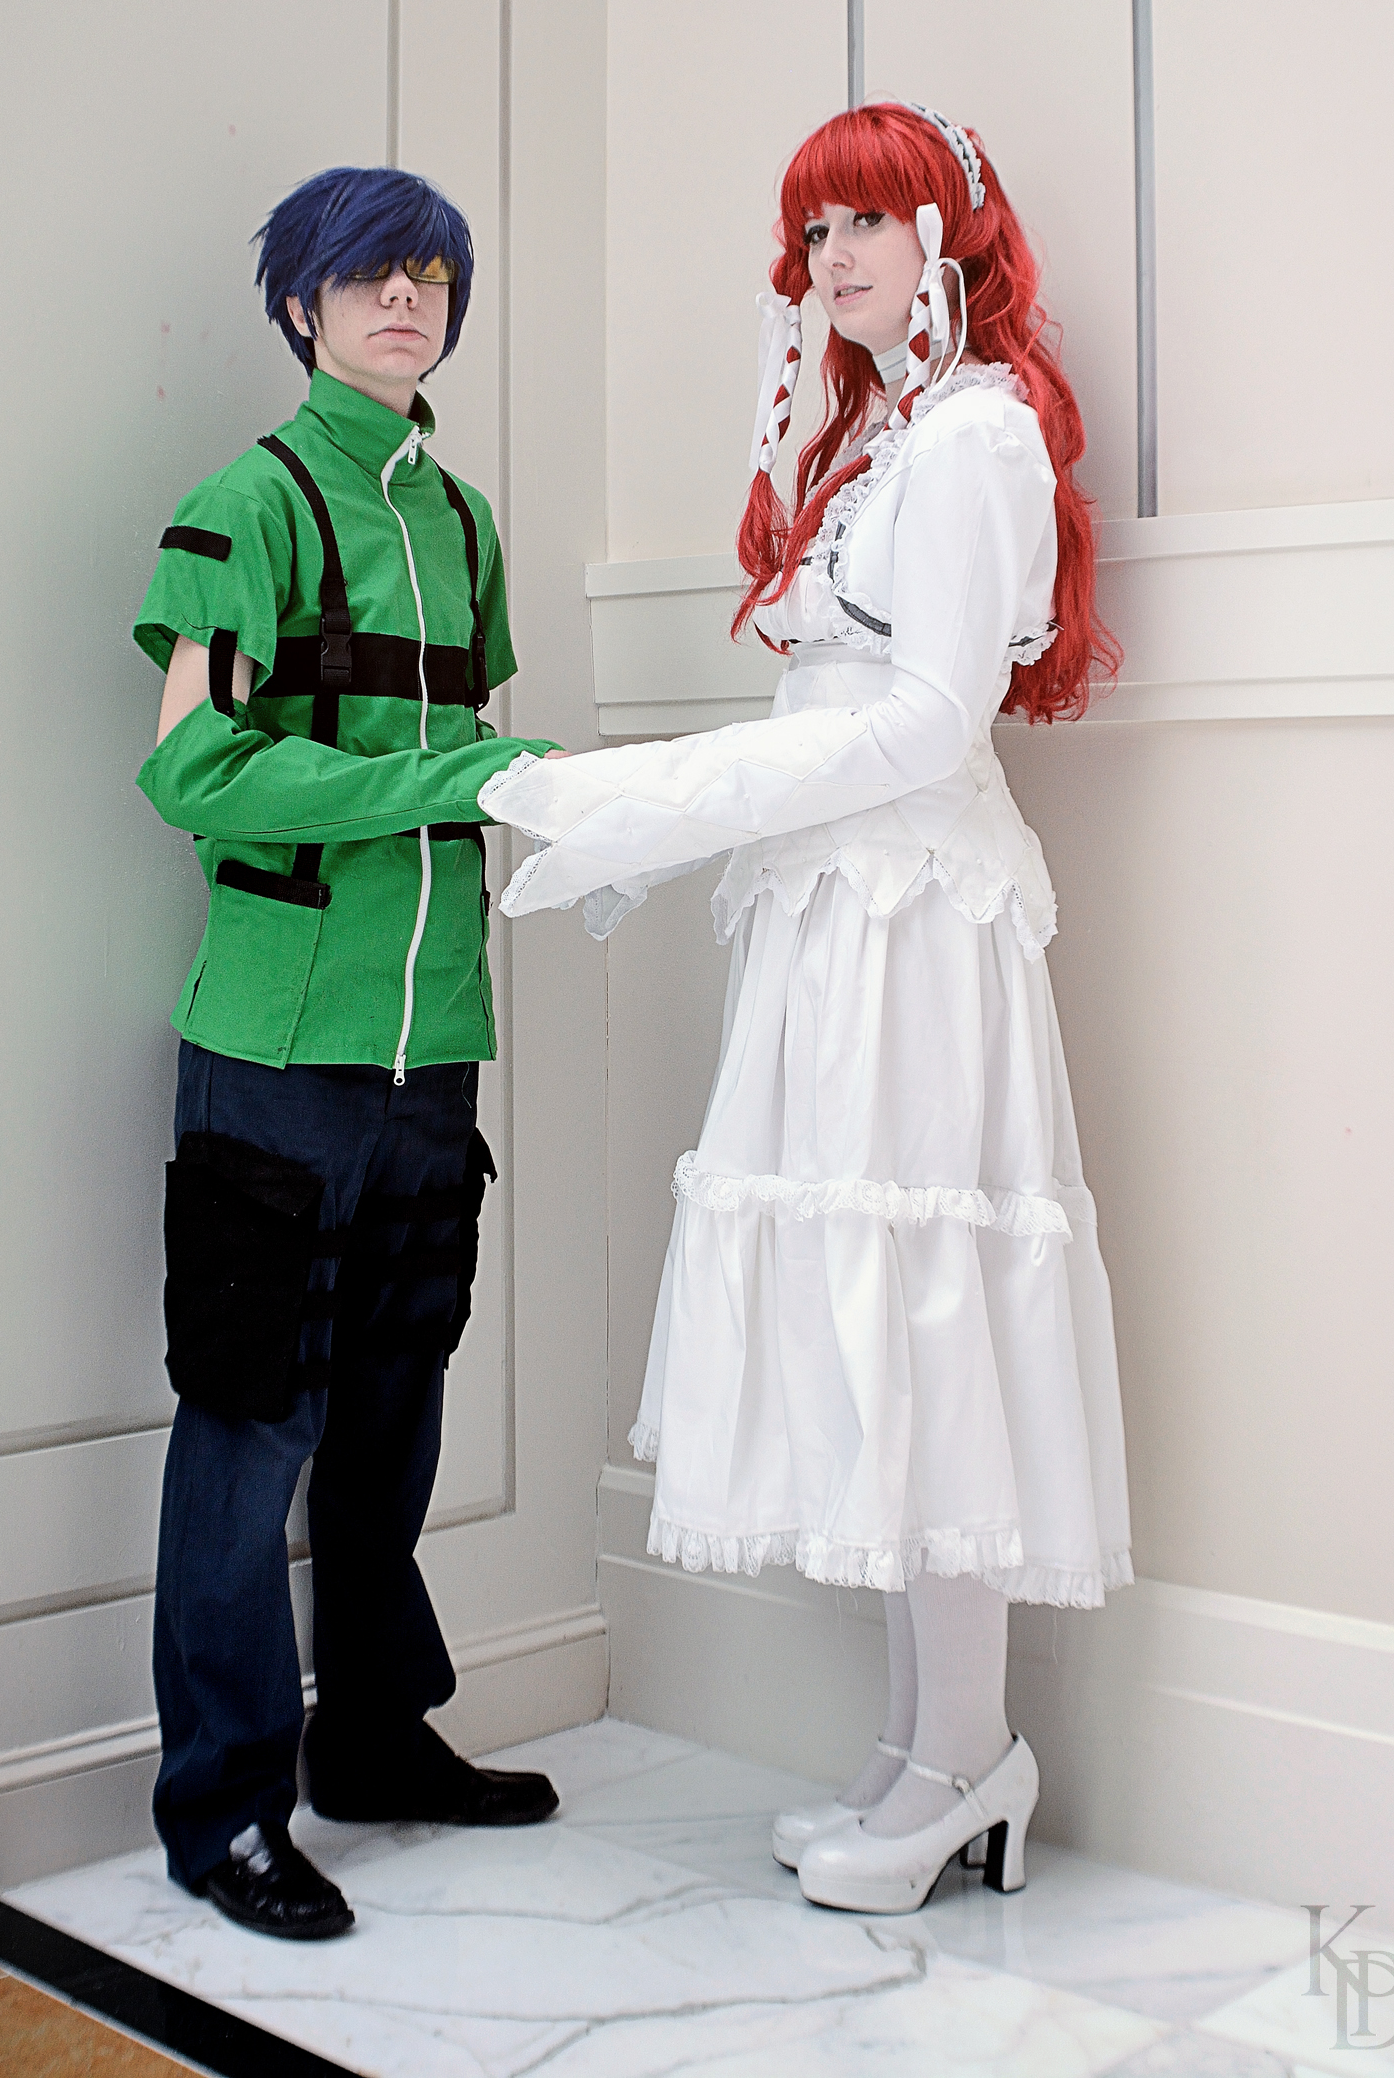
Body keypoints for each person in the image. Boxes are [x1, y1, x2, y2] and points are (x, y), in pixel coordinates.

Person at [478, 103, 1134, 1916]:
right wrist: (670, 818)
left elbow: (925, 723)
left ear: (946, 239)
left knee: (922, 1315)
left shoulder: (977, 432)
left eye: (870, 223)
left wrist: (656, 799)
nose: (835, 258)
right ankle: (932, 1748)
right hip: (840, 909)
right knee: (875, 1321)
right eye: (816, 231)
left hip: (915, 914)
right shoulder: (884, 435)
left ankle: (963, 1757)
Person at [133, 165, 562, 1943]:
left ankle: (374, 1742)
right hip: (276, 1047)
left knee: (393, 1416)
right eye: (371, 273)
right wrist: (443, 779)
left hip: (433, 1046)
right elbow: (192, 770)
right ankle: (221, 1810)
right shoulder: (247, 503)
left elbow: (486, 760)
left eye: (431, 276)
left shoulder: (463, 522)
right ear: (302, 306)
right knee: (252, 1432)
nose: (406, 299)